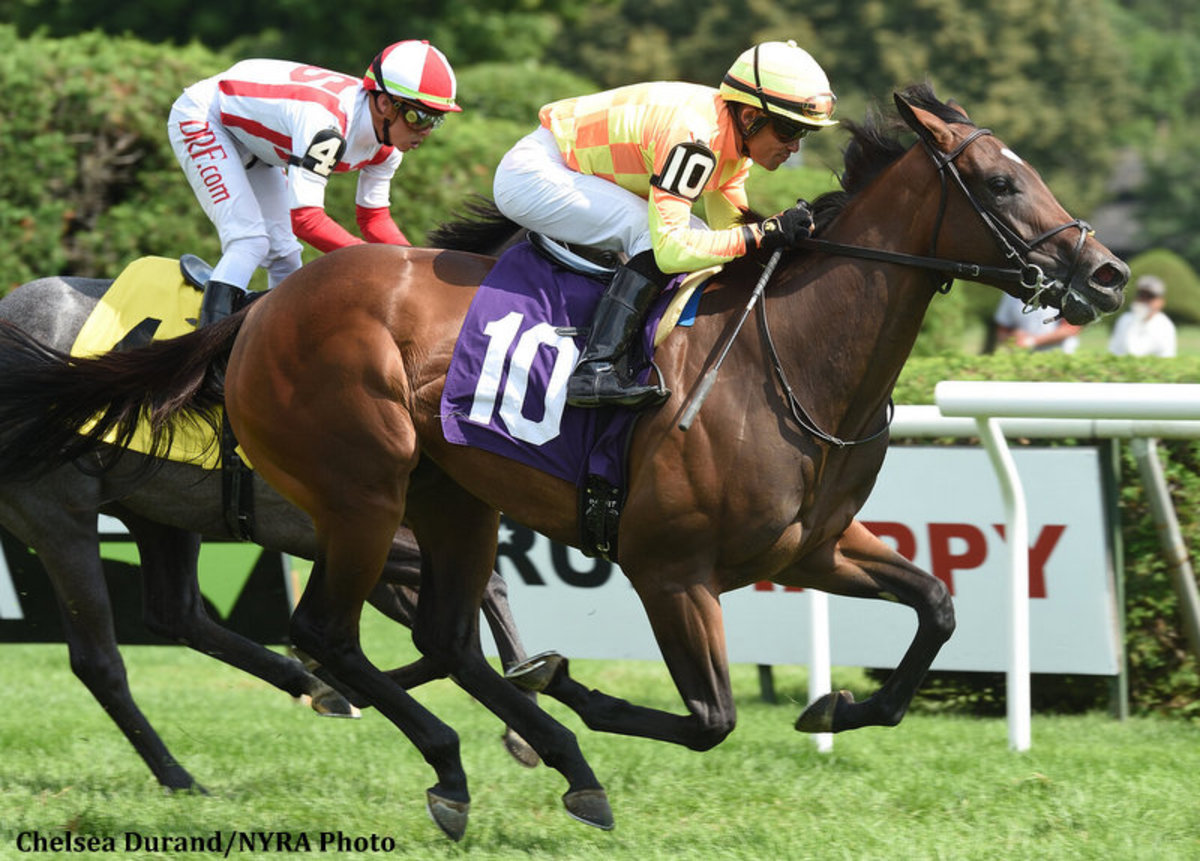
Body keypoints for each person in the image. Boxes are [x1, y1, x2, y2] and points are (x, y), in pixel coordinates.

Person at [492, 40, 836, 409]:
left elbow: (730, 231)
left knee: (704, 239)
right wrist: (762, 233)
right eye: (788, 131)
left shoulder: (734, 145)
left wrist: (777, 240)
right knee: (655, 238)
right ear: (751, 117)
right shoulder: (695, 138)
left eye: (804, 134)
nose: (794, 147)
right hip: (534, 174)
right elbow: (671, 249)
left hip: (566, 171)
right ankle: (595, 370)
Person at [169, 40, 460, 325]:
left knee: (286, 256)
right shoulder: (328, 127)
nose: (425, 132)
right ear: (385, 104)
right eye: (419, 117)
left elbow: (374, 218)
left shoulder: (388, 146)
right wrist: (373, 263)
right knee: (249, 241)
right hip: (205, 117)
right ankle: (204, 346)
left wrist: (415, 265)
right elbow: (305, 220)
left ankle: (272, 340)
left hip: (254, 137)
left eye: (436, 120)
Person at [1108, 274, 1177, 357]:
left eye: (1150, 297)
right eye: (1141, 295)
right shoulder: (1125, 319)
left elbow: (1134, 351)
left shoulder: (1164, 325)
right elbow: (1114, 350)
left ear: (1161, 302)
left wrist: (1137, 320)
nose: (1144, 300)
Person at [992, 292, 1081, 353]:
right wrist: (1013, 339)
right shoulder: (1011, 294)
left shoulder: (1063, 291)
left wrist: (1032, 341)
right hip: (1022, 359)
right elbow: (1002, 329)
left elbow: (1071, 328)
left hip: (1059, 356)